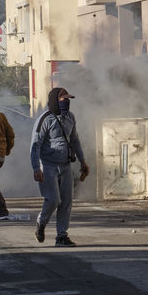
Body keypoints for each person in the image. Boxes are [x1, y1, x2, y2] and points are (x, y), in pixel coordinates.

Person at [30, 87, 89, 247]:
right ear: (55, 100)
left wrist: (83, 161)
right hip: (47, 166)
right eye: (64, 99)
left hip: (65, 165)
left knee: (67, 201)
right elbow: (35, 145)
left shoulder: (70, 117)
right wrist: (36, 168)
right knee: (53, 200)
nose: (67, 102)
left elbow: (75, 140)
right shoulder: (45, 119)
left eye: (68, 99)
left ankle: (62, 236)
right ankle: (41, 222)